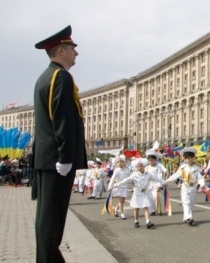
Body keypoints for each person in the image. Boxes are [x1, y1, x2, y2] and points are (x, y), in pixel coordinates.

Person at [33, 25, 87, 263]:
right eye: (73, 49)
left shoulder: (45, 77)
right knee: (53, 222)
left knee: (47, 220)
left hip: (47, 159)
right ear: (61, 50)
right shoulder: (61, 77)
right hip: (57, 162)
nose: (76, 53)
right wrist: (65, 157)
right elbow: (62, 118)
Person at [116, 158, 165, 229]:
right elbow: (127, 180)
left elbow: (157, 178)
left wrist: (164, 182)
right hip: (137, 194)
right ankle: (136, 221)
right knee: (136, 209)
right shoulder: (134, 175)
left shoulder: (148, 174)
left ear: (144, 166)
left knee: (146, 207)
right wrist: (118, 184)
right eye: (138, 166)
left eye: (141, 166)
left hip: (145, 193)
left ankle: (148, 222)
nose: (140, 168)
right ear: (136, 167)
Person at [166, 147, 205, 225]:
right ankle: (190, 217)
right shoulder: (182, 168)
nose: (189, 160)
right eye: (187, 158)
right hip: (185, 186)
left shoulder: (197, 168)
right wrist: (166, 182)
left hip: (193, 186)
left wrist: (202, 184)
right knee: (186, 202)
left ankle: (186, 217)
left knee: (191, 203)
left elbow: (200, 177)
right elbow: (175, 176)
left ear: (194, 158)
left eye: (191, 158)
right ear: (185, 159)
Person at [108, 155, 131, 219]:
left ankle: (116, 209)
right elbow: (112, 179)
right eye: (118, 162)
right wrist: (110, 186)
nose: (120, 163)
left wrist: (135, 183)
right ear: (116, 164)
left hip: (124, 187)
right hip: (118, 187)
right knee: (121, 200)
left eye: (121, 161)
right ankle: (122, 213)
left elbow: (131, 177)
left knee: (122, 200)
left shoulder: (127, 170)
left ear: (124, 162)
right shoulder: (117, 170)